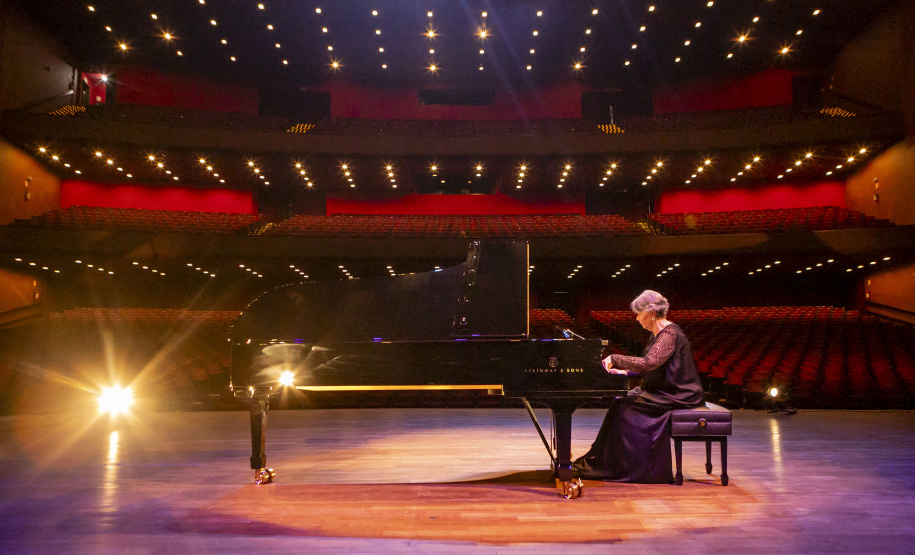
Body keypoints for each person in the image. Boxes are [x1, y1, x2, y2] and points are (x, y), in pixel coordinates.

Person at [573, 290, 704, 483]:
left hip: (679, 394)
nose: (636, 318)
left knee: (625, 405)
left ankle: (628, 466)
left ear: (651, 313)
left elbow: (648, 363)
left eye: (638, 313)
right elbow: (655, 368)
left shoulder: (669, 334)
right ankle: (604, 461)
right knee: (620, 401)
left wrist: (615, 358)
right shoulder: (657, 335)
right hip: (665, 390)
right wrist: (627, 373)